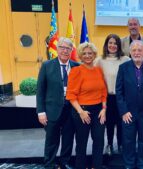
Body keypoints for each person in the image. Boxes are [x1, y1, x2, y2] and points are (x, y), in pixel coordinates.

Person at [116, 40, 143, 169]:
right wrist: (123, 111)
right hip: (128, 113)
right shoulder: (123, 68)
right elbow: (119, 91)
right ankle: (129, 165)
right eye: (134, 50)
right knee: (128, 141)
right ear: (130, 52)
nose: (137, 53)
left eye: (139, 50)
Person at [36, 37, 79, 169]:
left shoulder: (77, 66)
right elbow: (40, 90)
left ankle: (64, 162)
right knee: (51, 140)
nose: (65, 51)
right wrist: (41, 111)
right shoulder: (47, 66)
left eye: (68, 48)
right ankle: (49, 164)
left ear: (71, 50)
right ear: (57, 49)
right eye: (62, 47)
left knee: (68, 139)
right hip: (52, 110)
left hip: (71, 110)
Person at [66, 42, 107, 169]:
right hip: (82, 111)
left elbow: (103, 92)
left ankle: (97, 166)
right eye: (84, 53)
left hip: (99, 110)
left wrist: (104, 109)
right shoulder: (76, 71)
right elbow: (71, 95)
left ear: (94, 55)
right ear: (80, 56)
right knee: (81, 143)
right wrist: (81, 112)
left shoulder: (98, 70)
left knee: (99, 140)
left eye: (90, 53)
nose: (87, 56)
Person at [94, 34, 130, 155]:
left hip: (121, 97)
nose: (113, 45)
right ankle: (109, 144)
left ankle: (120, 144)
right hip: (106, 98)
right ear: (106, 44)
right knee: (109, 123)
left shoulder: (125, 59)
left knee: (121, 123)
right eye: (110, 43)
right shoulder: (100, 60)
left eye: (115, 43)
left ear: (119, 45)